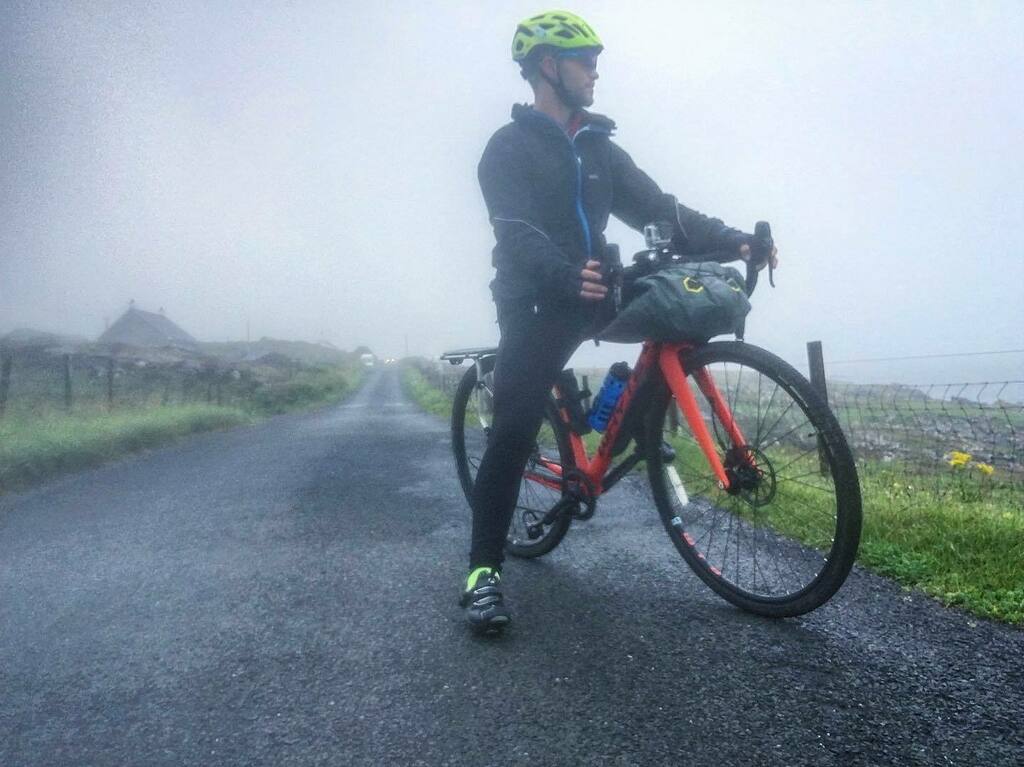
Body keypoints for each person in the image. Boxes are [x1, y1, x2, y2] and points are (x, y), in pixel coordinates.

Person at [461, 10, 778, 634]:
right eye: (585, 60)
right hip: (536, 296)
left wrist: (736, 242)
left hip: (600, 286)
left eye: (596, 60)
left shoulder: (598, 145)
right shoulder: (508, 148)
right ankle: (482, 572)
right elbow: (515, 230)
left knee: (675, 328)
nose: (596, 71)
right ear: (548, 67)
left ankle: (614, 426)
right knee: (518, 422)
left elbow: (662, 211)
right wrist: (559, 273)